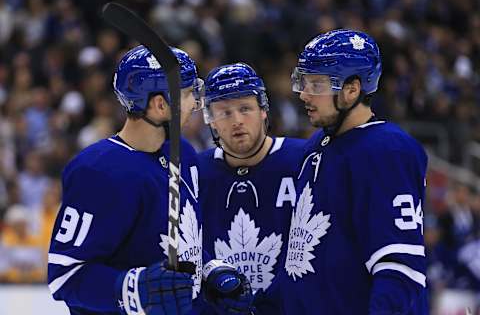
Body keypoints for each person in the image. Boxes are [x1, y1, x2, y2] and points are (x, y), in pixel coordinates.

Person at [47, 45, 229, 315]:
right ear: (160, 105)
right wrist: (130, 288)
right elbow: (65, 275)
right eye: (189, 94)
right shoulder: (99, 171)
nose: (196, 103)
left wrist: (209, 273)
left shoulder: (184, 153)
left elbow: (179, 243)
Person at [278, 29, 428, 314]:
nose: (303, 94)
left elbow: (399, 266)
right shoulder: (316, 148)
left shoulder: (387, 150)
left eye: (317, 85)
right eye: (303, 81)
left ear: (352, 89)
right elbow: (305, 261)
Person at [198, 63, 305, 313]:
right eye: (224, 112)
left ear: (263, 111)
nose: (236, 121)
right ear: (211, 121)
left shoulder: (305, 161)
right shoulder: (193, 172)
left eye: (245, 108)